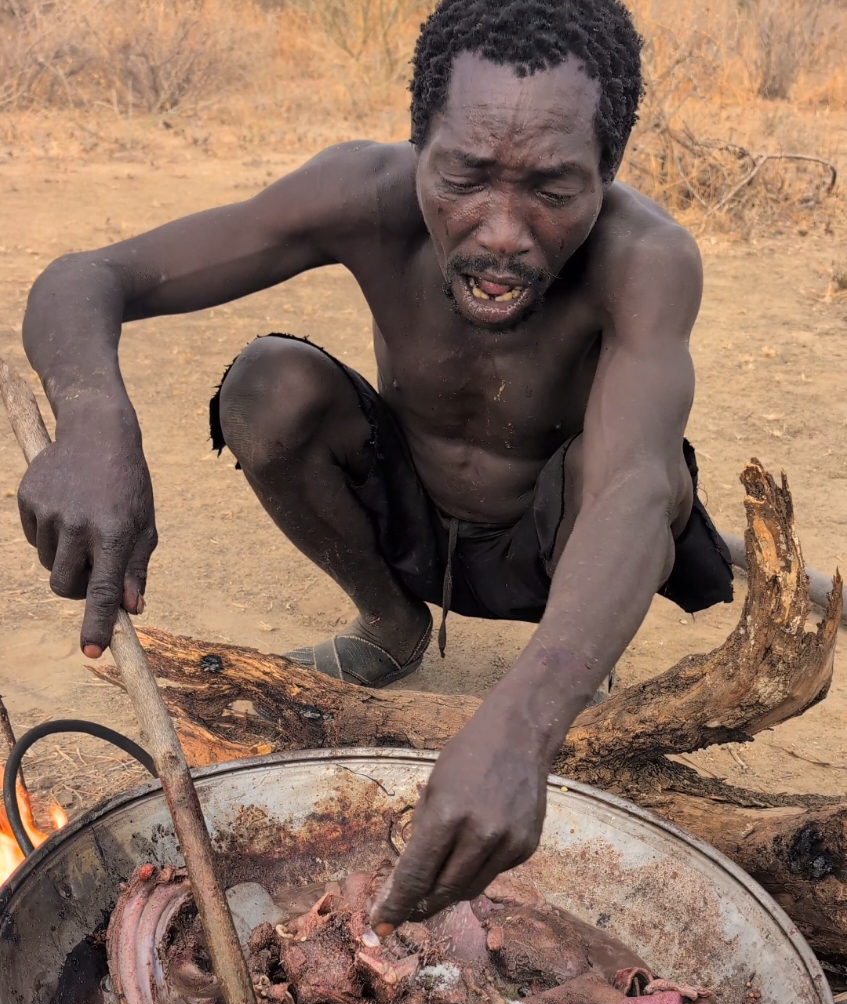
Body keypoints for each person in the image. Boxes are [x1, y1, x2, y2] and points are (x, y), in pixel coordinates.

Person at [17, 0, 733, 929]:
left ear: (609, 172)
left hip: (557, 547)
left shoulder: (648, 258)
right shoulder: (360, 193)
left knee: (646, 469)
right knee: (267, 385)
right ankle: (390, 624)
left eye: (553, 191)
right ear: (418, 144)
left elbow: (634, 490)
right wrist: (92, 421)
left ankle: (565, 667)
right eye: (465, 177)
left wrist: (524, 722)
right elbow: (87, 277)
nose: (503, 231)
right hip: (411, 522)